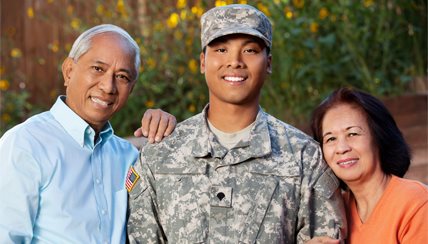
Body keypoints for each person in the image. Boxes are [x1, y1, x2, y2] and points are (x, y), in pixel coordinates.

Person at [127, 4, 346, 243]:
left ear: (269, 63)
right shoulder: (160, 154)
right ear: (202, 62)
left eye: (250, 50)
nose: (235, 61)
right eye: (221, 49)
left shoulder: (304, 157)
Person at [0, 24, 176, 243]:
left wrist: (170, 136)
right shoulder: (25, 145)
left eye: (122, 76)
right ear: (69, 71)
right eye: (98, 69)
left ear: (131, 88)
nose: (108, 86)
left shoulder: (128, 157)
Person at [308, 87, 428, 243]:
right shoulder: (333, 209)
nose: (342, 148)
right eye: (331, 139)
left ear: (379, 137)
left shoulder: (416, 203)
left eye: (353, 134)